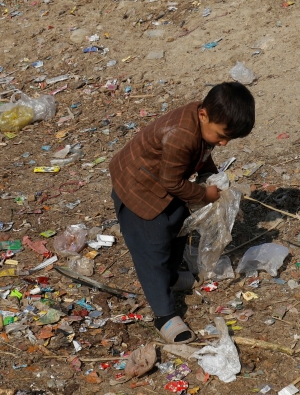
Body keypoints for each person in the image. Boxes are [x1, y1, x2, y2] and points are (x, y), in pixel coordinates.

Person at [109, 82, 255, 343]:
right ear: (203, 115)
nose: (223, 142)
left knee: (177, 227)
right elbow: (172, 183)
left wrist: (210, 173)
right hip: (138, 191)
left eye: (228, 139)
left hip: (163, 184)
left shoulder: (201, 122)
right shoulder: (180, 133)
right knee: (151, 250)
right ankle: (163, 314)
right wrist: (205, 195)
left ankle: (172, 276)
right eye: (222, 135)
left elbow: (202, 153)